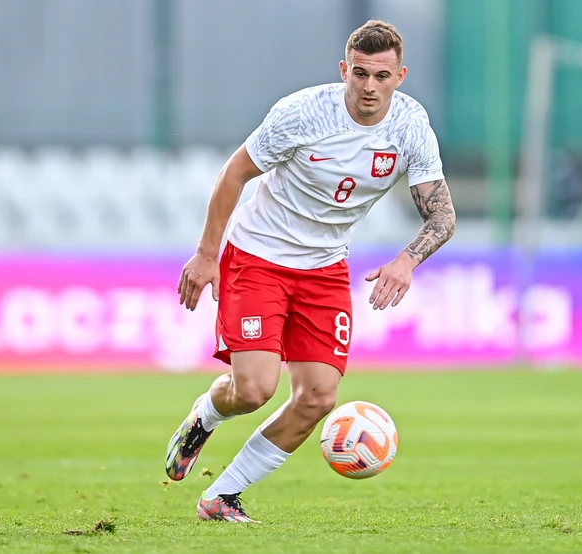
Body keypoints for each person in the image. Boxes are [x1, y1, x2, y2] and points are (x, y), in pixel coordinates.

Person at [165, 19, 456, 523]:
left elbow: (443, 215)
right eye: (360, 73)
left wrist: (406, 261)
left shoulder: (410, 125)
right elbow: (234, 173)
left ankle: (221, 497)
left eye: (382, 76)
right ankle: (205, 416)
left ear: (400, 76)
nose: (370, 87)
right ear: (344, 70)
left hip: (324, 269)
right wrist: (207, 254)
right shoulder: (303, 113)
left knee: (319, 397)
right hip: (259, 257)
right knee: (253, 391)